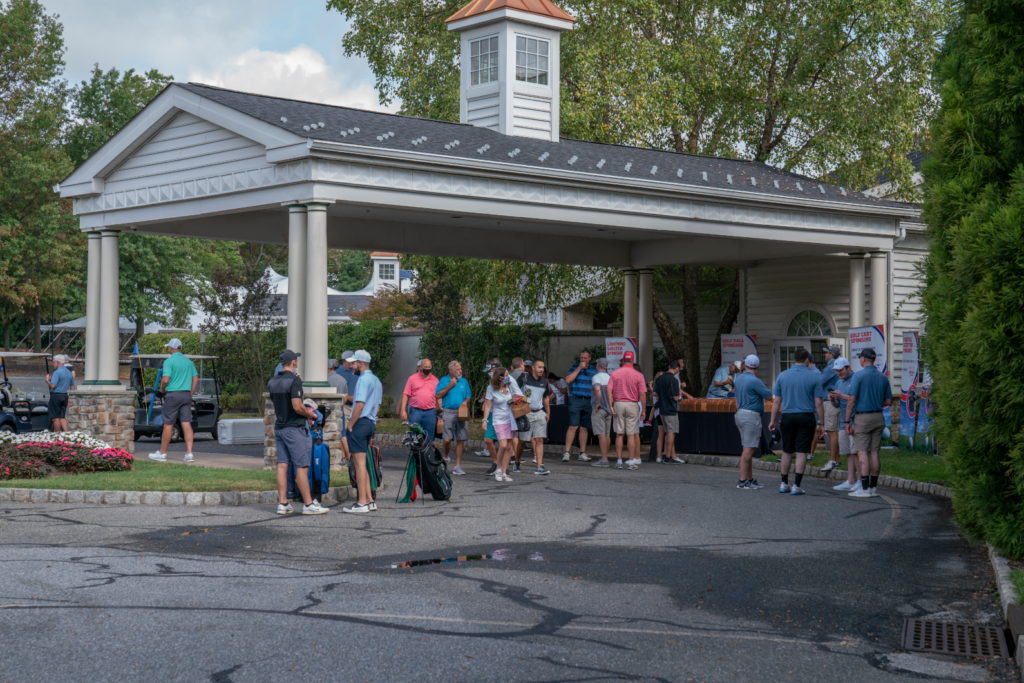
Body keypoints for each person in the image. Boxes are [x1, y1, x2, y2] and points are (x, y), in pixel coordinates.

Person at [268, 350, 328, 515]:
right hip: (295, 428)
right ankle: (308, 505)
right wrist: (309, 413)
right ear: (293, 362)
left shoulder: (272, 381)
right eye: (296, 360)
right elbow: (296, 406)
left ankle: (283, 503)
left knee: (282, 464)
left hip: (279, 427)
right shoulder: (295, 381)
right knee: (302, 466)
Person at [768, 348, 826, 495]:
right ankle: (796, 486)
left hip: (787, 416)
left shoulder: (782, 375)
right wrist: (822, 423)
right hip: (806, 417)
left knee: (787, 451)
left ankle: (783, 483)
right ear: (807, 360)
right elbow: (818, 403)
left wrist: (772, 420)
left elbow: (776, 402)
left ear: (795, 359)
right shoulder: (814, 377)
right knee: (801, 451)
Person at [844, 348, 892, 498]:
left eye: (860, 358)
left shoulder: (858, 376)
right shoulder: (883, 378)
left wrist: (846, 421)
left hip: (863, 418)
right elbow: (889, 401)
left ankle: (864, 489)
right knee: (874, 453)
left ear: (863, 359)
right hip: (878, 417)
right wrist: (876, 401)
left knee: (862, 452)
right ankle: (873, 488)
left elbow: (851, 400)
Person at [344, 349, 383, 513]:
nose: (351, 366)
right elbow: (378, 406)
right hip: (370, 423)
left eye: (353, 363)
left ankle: (361, 503)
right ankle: (369, 500)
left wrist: (350, 424)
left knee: (359, 464)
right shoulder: (376, 380)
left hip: (360, 423)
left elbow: (359, 405)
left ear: (360, 363)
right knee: (364, 464)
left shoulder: (362, 380)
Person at [148, 339, 199, 463]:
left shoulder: (169, 361)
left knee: (168, 424)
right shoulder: (188, 362)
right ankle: (189, 453)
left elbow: (165, 380)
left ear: (171, 348)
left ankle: (162, 453)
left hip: (173, 395)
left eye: (168, 347)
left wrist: (161, 389)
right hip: (186, 395)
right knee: (186, 423)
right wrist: (190, 394)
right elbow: (196, 379)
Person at [733, 354, 771, 489]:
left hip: (740, 414)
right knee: (749, 450)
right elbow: (769, 396)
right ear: (757, 367)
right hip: (751, 416)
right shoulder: (755, 381)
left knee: (746, 447)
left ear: (745, 364)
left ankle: (749, 479)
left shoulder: (738, 378)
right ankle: (743, 481)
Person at [481, 367, 523, 482]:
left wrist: (516, 400)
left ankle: (505, 472)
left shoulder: (509, 386)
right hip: (498, 420)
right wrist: (485, 420)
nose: (508, 377)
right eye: (506, 375)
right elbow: (488, 405)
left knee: (509, 446)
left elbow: (514, 398)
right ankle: (498, 469)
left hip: (510, 419)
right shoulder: (491, 388)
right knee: (503, 445)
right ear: (500, 378)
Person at [608, 351, 647, 470]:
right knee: (631, 434)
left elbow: (608, 390)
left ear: (623, 360)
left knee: (619, 434)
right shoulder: (638, 375)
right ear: (633, 361)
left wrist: (611, 405)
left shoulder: (615, 373)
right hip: (632, 404)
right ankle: (631, 462)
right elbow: (642, 394)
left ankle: (619, 461)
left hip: (619, 403)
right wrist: (644, 409)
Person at [827, 358, 862, 492]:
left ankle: (860, 480)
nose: (839, 373)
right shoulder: (838, 382)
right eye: (836, 371)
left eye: (841, 370)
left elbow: (859, 400)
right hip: (843, 421)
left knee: (856, 452)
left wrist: (842, 396)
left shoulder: (856, 379)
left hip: (854, 420)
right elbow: (837, 405)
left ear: (848, 367)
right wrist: (833, 400)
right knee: (848, 452)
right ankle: (851, 480)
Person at [436, 360, 472, 475]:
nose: (460, 371)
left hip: (461, 412)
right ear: (451, 370)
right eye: (458, 369)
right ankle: (446, 457)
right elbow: (438, 395)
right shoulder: (443, 380)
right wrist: (450, 385)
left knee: (460, 439)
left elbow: (468, 396)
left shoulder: (464, 382)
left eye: (460, 369)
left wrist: (465, 402)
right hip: (448, 412)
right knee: (447, 439)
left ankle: (457, 466)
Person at [517, 359, 552, 475]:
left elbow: (546, 398)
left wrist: (548, 412)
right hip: (526, 412)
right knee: (523, 441)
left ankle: (539, 466)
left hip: (539, 413)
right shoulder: (524, 378)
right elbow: (515, 392)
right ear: (533, 368)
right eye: (539, 367)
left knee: (539, 439)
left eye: (543, 367)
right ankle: (517, 462)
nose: (541, 369)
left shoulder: (544, 382)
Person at [563, 350, 597, 462]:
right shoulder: (574, 367)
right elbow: (568, 380)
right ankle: (567, 452)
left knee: (584, 428)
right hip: (575, 399)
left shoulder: (594, 370)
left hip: (588, 400)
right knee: (573, 426)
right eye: (581, 358)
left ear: (590, 359)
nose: (583, 360)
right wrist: (579, 369)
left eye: (585, 358)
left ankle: (582, 453)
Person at [814, 345, 843, 472]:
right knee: (834, 431)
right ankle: (836, 460)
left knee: (831, 432)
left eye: (826, 353)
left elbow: (819, 382)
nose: (824, 355)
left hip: (830, 402)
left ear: (831, 354)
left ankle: (833, 460)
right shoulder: (836, 365)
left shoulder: (830, 367)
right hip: (835, 401)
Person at [654, 360, 686, 464]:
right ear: (676, 368)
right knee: (671, 433)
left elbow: (655, 393)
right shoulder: (673, 380)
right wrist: (680, 396)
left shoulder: (659, 378)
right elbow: (676, 397)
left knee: (667, 432)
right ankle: (668, 456)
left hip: (662, 409)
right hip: (671, 410)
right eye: (679, 369)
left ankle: (666, 455)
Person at [399, 358, 439, 440]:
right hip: (415, 412)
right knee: (414, 436)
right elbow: (406, 394)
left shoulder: (435, 380)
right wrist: (403, 410)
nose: (427, 369)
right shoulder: (412, 378)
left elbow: (438, 397)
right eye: (425, 367)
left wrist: (440, 410)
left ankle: (427, 452)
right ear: (420, 367)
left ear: (431, 367)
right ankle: (414, 452)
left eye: (429, 367)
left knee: (429, 437)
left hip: (430, 412)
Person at [589, 358, 615, 468]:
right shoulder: (610, 377)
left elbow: (597, 389)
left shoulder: (596, 377)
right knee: (607, 434)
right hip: (609, 409)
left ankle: (604, 459)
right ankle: (605, 457)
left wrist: (598, 403)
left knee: (601, 435)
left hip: (599, 409)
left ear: (598, 365)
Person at [325, 359, 351, 464]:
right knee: (343, 435)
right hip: (340, 409)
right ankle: (348, 459)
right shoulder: (342, 379)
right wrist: (340, 406)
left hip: (328, 410)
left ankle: (337, 458)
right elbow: (345, 397)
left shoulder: (324, 380)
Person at [45, 355, 75, 432]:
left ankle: (58, 436)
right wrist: (68, 397)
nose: (53, 364)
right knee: (62, 417)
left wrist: (48, 380)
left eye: (53, 362)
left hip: (56, 396)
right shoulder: (69, 372)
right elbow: (72, 386)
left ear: (58, 362)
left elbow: (53, 386)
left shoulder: (57, 372)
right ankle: (66, 434)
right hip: (65, 396)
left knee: (56, 418)